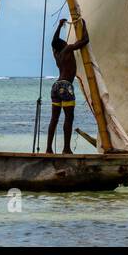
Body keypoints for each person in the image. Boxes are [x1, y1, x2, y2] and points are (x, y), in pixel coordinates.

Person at [46, 18, 88, 154]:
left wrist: (59, 26)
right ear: (63, 43)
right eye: (64, 41)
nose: (66, 41)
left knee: (54, 118)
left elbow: (54, 41)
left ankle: (48, 149)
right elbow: (84, 41)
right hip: (66, 85)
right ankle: (66, 148)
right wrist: (84, 26)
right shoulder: (68, 49)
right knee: (68, 118)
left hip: (55, 86)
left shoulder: (56, 54)